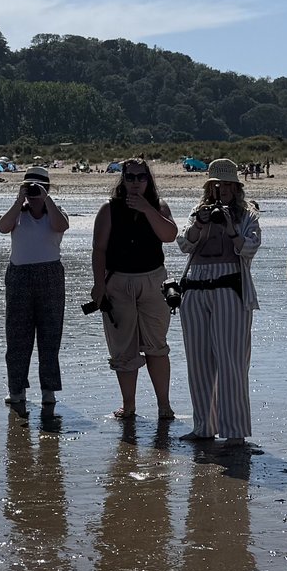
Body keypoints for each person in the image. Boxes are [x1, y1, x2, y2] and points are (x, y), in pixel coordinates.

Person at [175, 159, 261, 445]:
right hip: (195, 286)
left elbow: (249, 248)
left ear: (237, 187)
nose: (221, 190)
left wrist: (231, 227)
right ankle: (204, 427)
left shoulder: (248, 215)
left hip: (230, 287)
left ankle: (235, 432)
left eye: (227, 185)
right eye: (216, 184)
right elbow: (184, 243)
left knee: (232, 361)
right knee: (198, 362)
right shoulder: (197, 211)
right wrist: (200, 222)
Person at [91, 160, 179, 422]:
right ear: (123, 179)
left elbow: (169, 235)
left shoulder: (159, 206)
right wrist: (98, 285)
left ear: (148, 180)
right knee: (123, 349)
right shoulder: (109, 209)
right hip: (118, 282)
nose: (136, 182)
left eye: (141, 177)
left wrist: (147, 209)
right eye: (130, 177)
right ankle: (128, 405)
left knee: (156, 346)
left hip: (153, 280)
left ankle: (164, 406)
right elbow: (99, 250)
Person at [0, 167, 72, 414]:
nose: (33, 192)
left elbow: (61, 226)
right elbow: (3, 227)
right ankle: (16, 389)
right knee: (17, 336)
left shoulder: (55, 213)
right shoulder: (19, 213)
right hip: (19, 276)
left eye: (38, 187)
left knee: (50, 335)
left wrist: (46, 199)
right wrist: (20, 200)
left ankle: (48, 390)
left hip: (50, 274)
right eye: (29, 187)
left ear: (47, 189)